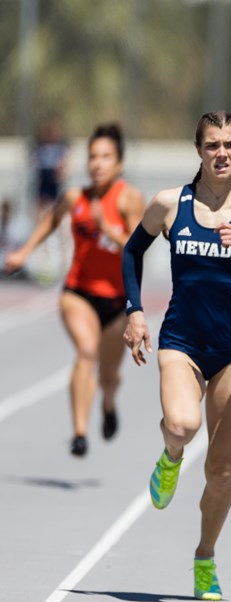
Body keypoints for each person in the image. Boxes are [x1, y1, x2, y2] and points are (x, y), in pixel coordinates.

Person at [121, 111, 231, 600]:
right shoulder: (170, 204)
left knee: (221, 473)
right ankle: (170, 456)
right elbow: (131, 252)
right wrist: (135, 312)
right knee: (181, 424)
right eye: (213, 145)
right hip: (181, 342)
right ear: (198, 150)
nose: (222, 153)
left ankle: (205, 556)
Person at [4, 123, 145, 456]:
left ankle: (108, 402)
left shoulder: (129, 198)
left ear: (119, 164)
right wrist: (25, 251)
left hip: (116, 299)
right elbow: (52, 221)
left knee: (109, 374)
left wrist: (107, 227)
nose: (97, 163)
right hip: (78, 292)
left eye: (105, 157)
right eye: (93, 156)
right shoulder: (74, 197)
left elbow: (137, 246)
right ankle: (79, 432)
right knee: (85, 351)